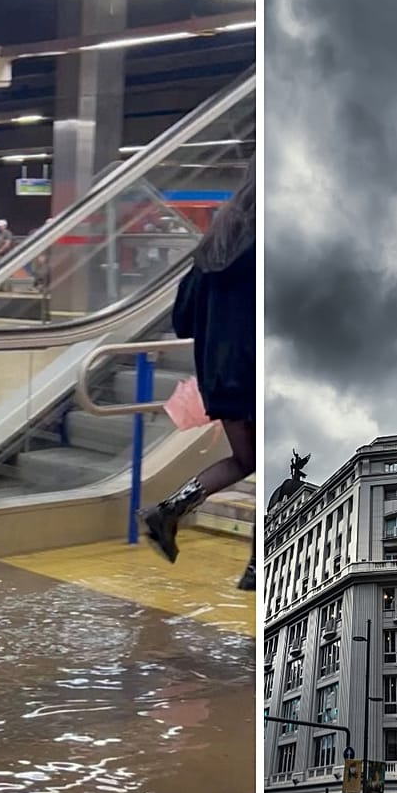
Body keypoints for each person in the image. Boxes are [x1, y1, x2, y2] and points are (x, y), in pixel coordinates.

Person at [141, 159, 256, 590]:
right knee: (260, 460)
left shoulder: (213, 245)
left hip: (222, 378)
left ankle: (170, 509)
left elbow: (183, 319)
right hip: (255, 370)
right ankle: (253, 568)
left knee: (247, 460)